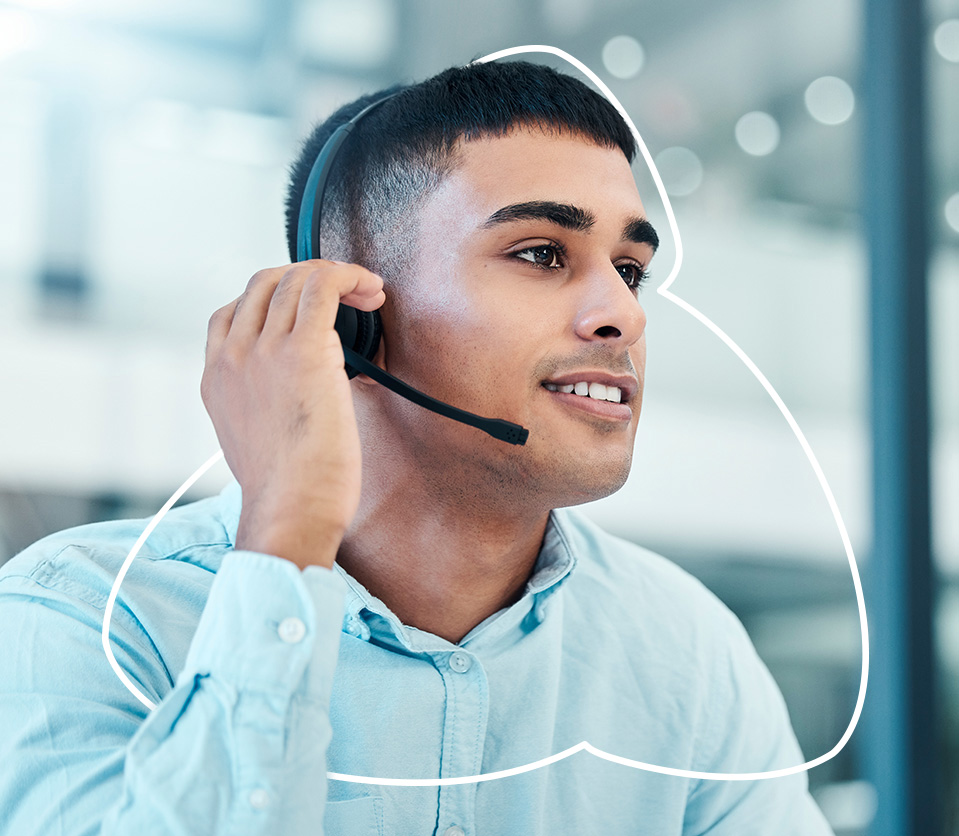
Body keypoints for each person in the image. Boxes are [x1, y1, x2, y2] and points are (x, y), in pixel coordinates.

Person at [0, 60, 834, 834]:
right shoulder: (82, 620)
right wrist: (286, 529)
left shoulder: (683, 648)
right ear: (350, 315)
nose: (624, 313)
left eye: (629, 268)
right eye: (542, 254)